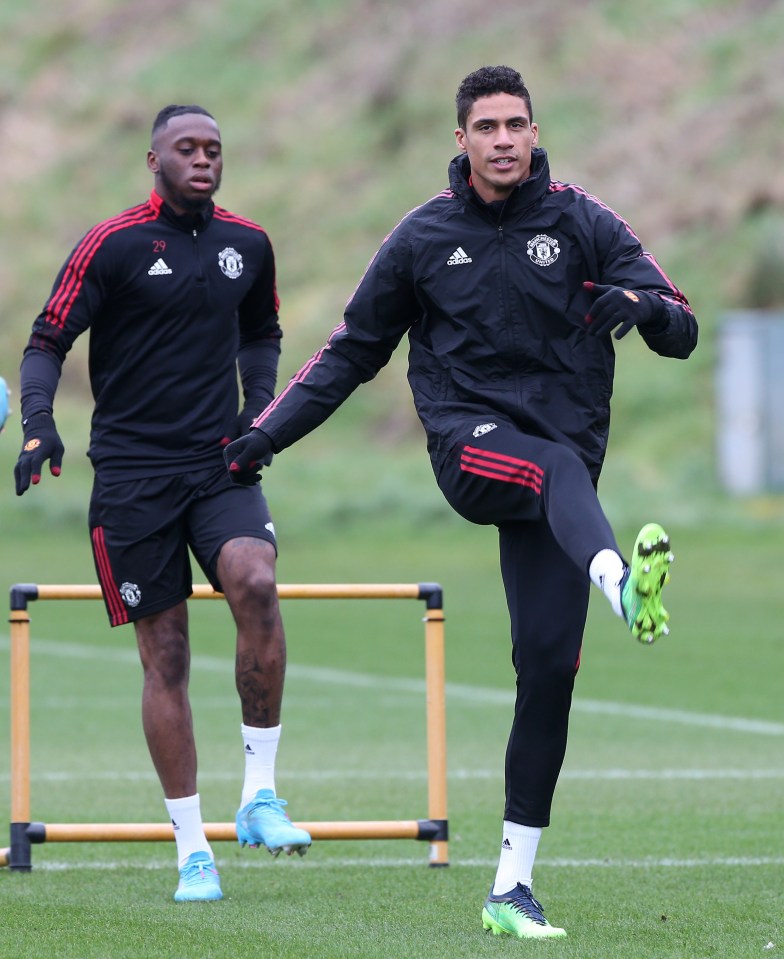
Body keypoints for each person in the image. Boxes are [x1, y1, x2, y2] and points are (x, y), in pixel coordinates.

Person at [225, 65, 698, 937]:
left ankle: (510, 888)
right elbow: (349, 351)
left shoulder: (585, 221)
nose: (506, 139)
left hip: (559, 488)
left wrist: (646, 307)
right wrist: (266, 434)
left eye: (517, 123)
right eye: (488, 126)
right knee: (555, 468)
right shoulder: (422, 238)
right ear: (462, 140)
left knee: (549, 670)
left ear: (534, 129)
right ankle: (623, 584)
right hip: (472, 450)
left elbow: (680, 319)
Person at [14, 104, 311, 902]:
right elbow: (47, 342)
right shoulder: (110, 245)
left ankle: (260, 796)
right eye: (188, 148)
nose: (204, 159)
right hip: (132, 480)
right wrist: (39, 428)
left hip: (219, 466)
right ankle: (192, 848)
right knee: (168, 657)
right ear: (155, 159)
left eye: (215, 148)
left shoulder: (246, 244)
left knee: (255, 581)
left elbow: (263, 331)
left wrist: (260, 408)